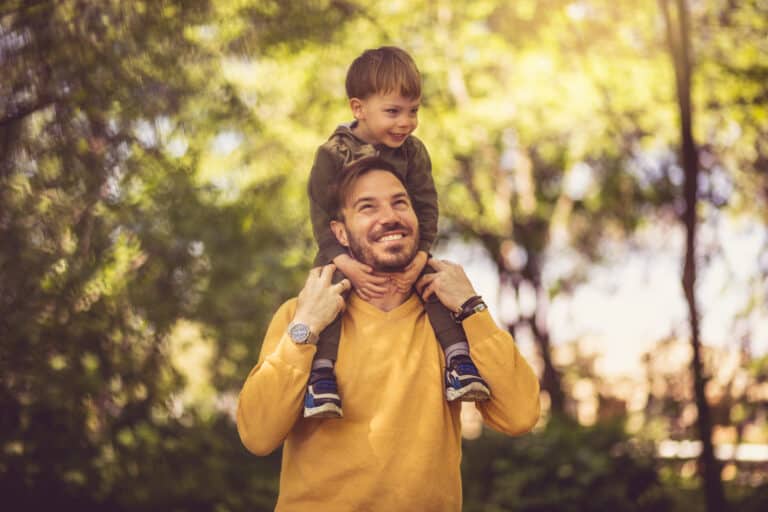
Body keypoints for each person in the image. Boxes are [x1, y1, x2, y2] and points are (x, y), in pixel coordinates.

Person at [236, 157, 540, 511]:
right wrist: (305, 327)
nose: (390, 216)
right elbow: (257, 435)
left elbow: (520, 416)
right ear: (340, 233)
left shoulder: (452, 320)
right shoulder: (300, 316)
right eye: (368, 207)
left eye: (400, 203)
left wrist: (472, 307)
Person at [305, 46, 489, 419]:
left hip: (403, 247)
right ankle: (321, 376)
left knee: (434, 281)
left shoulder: (413, 152)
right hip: (342, 249)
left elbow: (426, 207)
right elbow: (321, 215)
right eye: (393, 111)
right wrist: (346, 263)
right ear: (358, 108)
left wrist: (419, 257)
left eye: (413, 111)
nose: (406, 122)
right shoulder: (334, 153)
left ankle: (458, 360)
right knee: (328, 292)